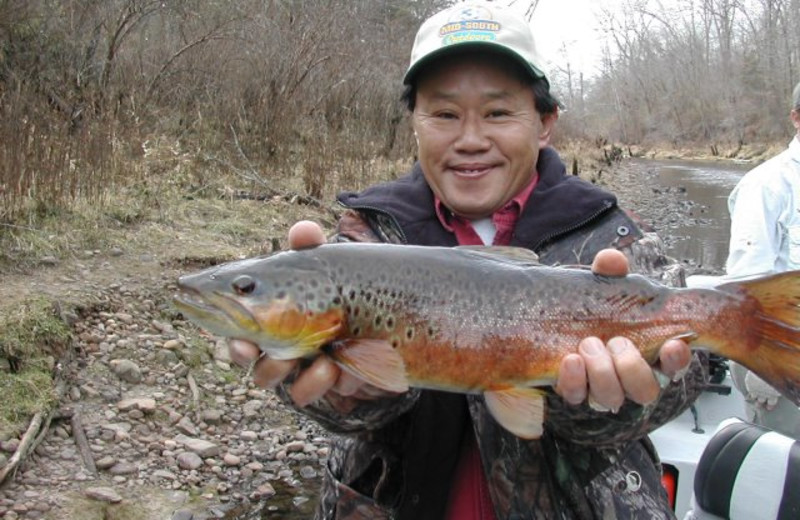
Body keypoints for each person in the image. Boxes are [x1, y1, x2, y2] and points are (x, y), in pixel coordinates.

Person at [228, 4, 707, 519]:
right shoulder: (364, 238)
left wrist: (612, 402)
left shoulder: (611, 235)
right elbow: (332, 402)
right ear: (414, 122)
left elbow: (690, 372)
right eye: (445, 114)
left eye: (498, 113)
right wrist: (347, 396)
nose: (471, 139)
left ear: (544, 123)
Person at [724, 80, 800, 439]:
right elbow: (746, 285)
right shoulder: (767, 185)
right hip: (780, 359)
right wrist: (763, 367)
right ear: (796, 118)